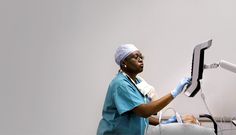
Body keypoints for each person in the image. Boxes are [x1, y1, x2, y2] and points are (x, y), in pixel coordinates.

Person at [97, 44, 195, 135]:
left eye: (141, 57)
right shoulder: (121, 84)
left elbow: (141, 115)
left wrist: (164, 122)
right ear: (124, 62)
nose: (140, 60)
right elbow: (144, 111)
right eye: (136, 57)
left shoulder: (137, 82)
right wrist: (174, 93)